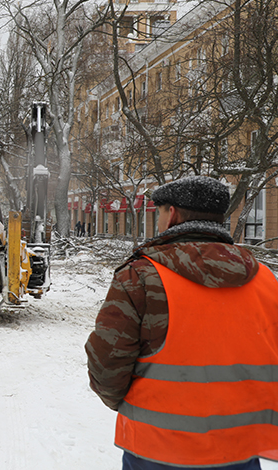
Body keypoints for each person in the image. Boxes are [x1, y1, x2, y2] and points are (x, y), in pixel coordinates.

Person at [85, 176, 278, 469]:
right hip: (240, 449)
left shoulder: (140, 278)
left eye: (159, 211)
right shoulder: (265, 280)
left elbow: (107, 361)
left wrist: (128, 405)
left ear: (171, 213)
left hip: (156, 449)